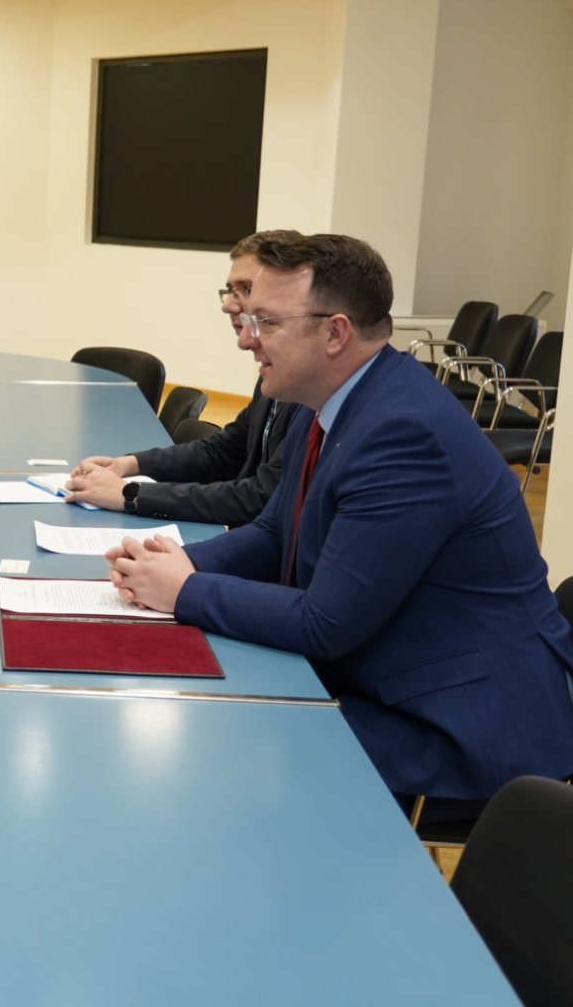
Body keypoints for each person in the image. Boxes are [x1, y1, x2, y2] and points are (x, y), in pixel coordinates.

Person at [108, 232, 573, 805]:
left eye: (267, 322)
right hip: (387, 681)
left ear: (335, 332)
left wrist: (185, 590)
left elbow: (325, 624)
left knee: (219, 752)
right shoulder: (326, 399)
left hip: (457, 728)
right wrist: (171, 564)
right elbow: (275, 532)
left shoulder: (404, 435)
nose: (247, 339)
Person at [66, 230, 304, 525]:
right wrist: (130, 464)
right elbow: (226, 450)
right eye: (229, 290)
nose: (228, 305)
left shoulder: (307, 390)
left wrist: (132, 494)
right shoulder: (273, 370)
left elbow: (260, 498)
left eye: (245, 289)